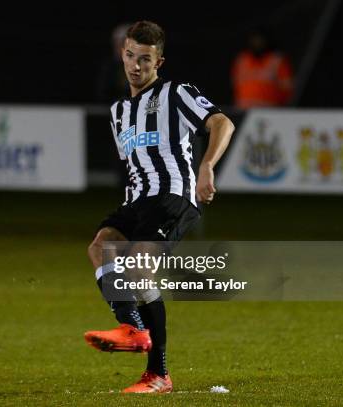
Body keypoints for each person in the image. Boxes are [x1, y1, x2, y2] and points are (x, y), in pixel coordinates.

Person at [84, 21, 235, 393]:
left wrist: (207, 166)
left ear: (159, 61)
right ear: (122, 54)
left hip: (173, 195)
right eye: (131, 56)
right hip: (138, 199)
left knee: (137, 267)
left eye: (146, 60)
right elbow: (134, 164)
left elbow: (222, 123)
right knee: (101, 247)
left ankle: (158, 374)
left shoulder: (176, 92)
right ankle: (132, 328)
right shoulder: (119, 111)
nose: (136, 66)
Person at [231, 28, 293, 108]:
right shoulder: (242, 60)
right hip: (243, 110)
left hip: (269, 111)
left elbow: (287, 89)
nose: (257, 43)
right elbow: (235, 85)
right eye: (255, 40)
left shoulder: (276, 60)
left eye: (260, 40)